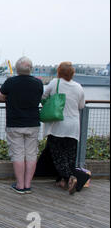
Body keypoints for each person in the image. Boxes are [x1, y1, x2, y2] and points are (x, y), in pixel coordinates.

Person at [0, 56, 43, 194]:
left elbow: (0, 96)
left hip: (15, 123)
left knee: (17, 154)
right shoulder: (38, 83)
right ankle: (28, 185)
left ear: (17, 69)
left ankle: (20, 185)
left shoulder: (10, 82)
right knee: (31, 155)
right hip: (33, 123)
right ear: (31, 69)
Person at [42, 62, 85, 194]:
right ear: (73, 73)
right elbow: (81, 105)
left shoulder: (55, 83)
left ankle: (69, 178)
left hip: (58, 125)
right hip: (74, 126)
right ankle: (63, 182)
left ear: (59, 72)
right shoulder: (78, 87)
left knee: (58, 156)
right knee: (70, 156)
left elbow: (43, 97)